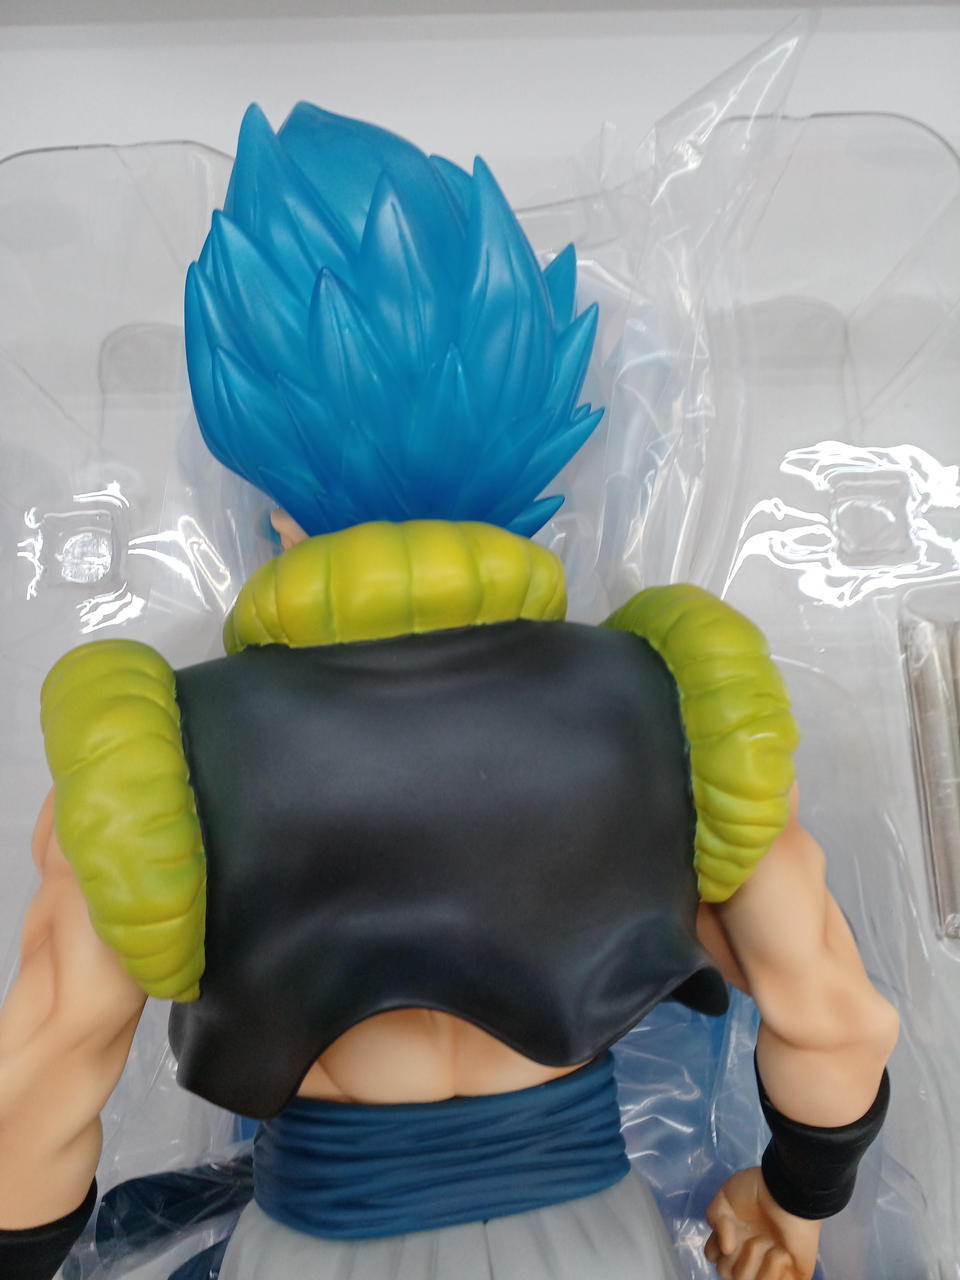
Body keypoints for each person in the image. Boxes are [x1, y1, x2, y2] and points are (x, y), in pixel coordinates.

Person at [0, 103, 897, 1280]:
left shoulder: (156, 750)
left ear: (260, 465)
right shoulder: (673, 702)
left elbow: (44, 1080)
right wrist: (792, 1199)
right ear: (535, 413)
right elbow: (833, 1017)